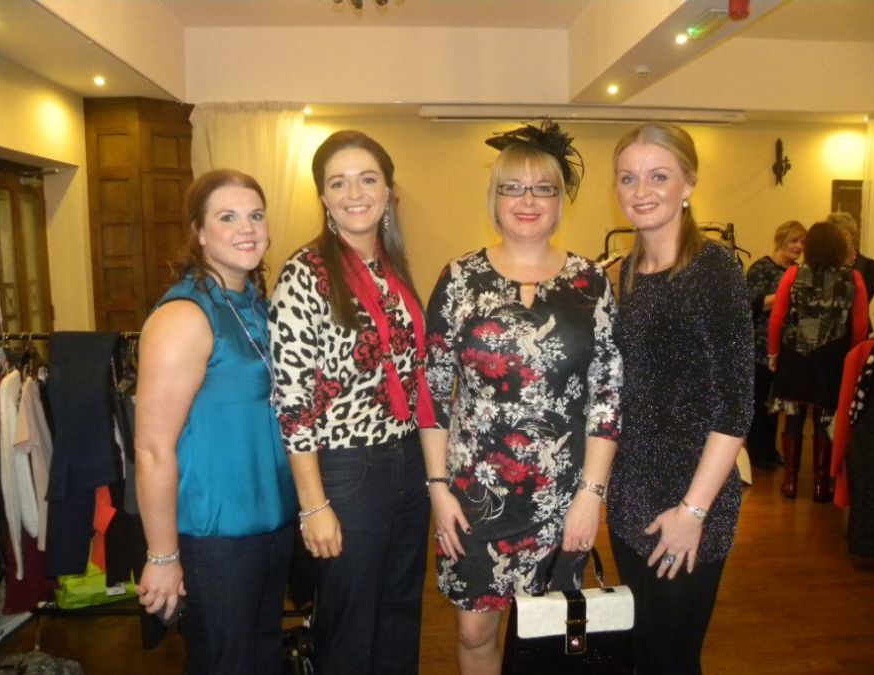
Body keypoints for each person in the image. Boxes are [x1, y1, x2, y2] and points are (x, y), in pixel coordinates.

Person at [422, 120, 622, 674]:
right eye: (513, 187)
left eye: (542, 188)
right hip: (475, 495)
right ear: (495, 198)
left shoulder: (590, 282)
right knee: (473, 632)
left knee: (551, 636)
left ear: (561, 200)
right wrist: (438, 490)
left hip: (563, 497)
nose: (527, 201)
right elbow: (432, 393)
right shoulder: (459, 278)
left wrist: (591, 496)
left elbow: (607, 398)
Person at [269, 130, 433, 674]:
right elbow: (292, 404)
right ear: (323, 196)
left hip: (406, 460)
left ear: (388, 191)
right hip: (347, 469)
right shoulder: (305, 272)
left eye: (367, 179)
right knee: (349, 624)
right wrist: (313, 506)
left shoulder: (390, 267)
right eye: (338, 183)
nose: (354, 193)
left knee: (399, 614)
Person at [135, 169, 298, 674]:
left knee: (263, 659)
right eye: (227, 217)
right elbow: (152, 449)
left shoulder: (258, 305)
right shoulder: (185, 314)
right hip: (215, 535)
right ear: (199, 233)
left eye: (255, 215)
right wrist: (163, 556)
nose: (246, 228)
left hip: (272, 524)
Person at [607, 122, 753, 674]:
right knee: (643, 651)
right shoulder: (627, 272)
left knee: (672, 657)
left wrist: (693, 511)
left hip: (691, 498)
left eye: (658, 176)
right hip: (631, 496)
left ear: (688, 184)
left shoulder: (714, 271)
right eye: (628, 178)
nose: (641, 190)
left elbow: (736, 407)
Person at [768, 221, 869, 501]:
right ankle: (820, 485)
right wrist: (853, 360)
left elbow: (777, 318)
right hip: (833, 358)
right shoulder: (854, 278)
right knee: (825, 420)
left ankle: (790, 482)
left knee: (794, 419)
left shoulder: (793, 274)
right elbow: (860, 326)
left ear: (810, 247)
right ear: (840, 247)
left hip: (795, 355)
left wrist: (774, 353)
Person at [744, 220, 807, 471]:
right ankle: (758, 454)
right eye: (794, 240)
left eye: (802, 242)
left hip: (786, 348)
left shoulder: (798, 271)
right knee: (759, 403)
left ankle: (770, 450)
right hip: (761, 347)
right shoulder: (762, 268)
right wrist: (786, 292)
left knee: (775, 405)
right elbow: (753, 303)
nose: (799, 246)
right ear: (782, 239)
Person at [827, 211, 874, 331]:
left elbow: (864, 300)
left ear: (853, 236)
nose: (840, 240)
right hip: (828, 329)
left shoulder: (870, 266)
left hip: (855, 327)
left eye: (844, 235)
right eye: (836, 236)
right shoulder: (825, 264)